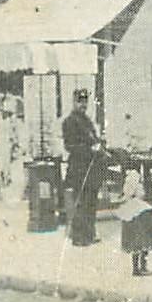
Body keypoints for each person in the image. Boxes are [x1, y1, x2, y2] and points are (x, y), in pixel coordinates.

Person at [63, 90, 104, 247]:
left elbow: (94, 139)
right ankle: (79, 237)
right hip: (78, 168)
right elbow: (70, 146)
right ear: (73, 102)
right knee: (80, 202)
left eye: (85, 101)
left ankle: (90, 234)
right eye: (80, 101)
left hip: (91, 167)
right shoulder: (69, 122)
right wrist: (90, 150)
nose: (83, 105)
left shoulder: (87, 121)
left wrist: (99, 146)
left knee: (91, 201)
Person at [117, 169, 152, 276]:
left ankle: (136, 268)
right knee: (144, 242)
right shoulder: (140, 206)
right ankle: (142, 267)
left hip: (132, 214)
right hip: (139, 216)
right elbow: (141, 194)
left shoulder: (126, 208)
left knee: (135, 244)